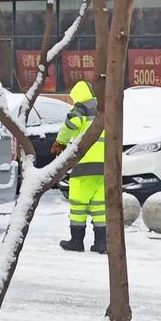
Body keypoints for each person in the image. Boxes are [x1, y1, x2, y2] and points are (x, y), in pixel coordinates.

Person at [50, 80, 106, 254]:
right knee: (99, 206)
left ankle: (76, 241)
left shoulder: (82, 108)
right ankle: (102, 242)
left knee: (78, 204)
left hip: (85, 165)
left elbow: (71, 124)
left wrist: (61, 141)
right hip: (105, 166)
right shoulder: (104, 108)